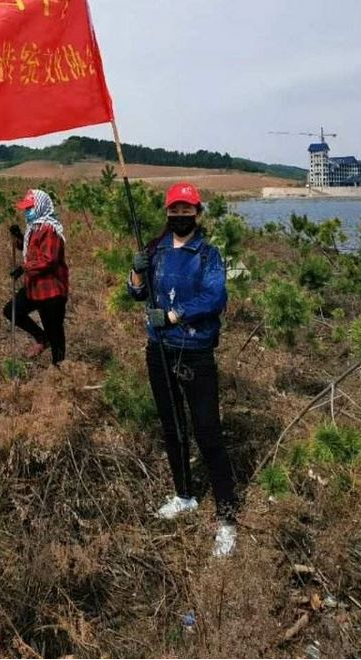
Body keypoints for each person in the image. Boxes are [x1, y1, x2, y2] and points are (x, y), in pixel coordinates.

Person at [128, 182, 238, 557]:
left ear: (198, 213)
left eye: (186, 210)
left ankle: (226, 517)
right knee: (172, 427)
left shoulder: (208, 255)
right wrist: (137, 272)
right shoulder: (155, 251)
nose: (179, 216)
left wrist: (174, 316)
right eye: (174, 210)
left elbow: (214, 297)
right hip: (158, 351)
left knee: (208, 432)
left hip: (194, 353)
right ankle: (184, 495)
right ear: (167, 212)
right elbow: (138, 295)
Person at [4, 188, 69, 365]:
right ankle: (42, 338)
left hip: (52, 290)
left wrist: (24, 268)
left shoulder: (49, 229)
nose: (27, 212)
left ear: (40, 207)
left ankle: (61, 372)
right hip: (35, 288)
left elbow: (49, 260)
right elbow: (32, 251)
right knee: (11, 310)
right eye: (26, 208)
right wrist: (19, 239)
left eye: (30, 208)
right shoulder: (35, 228)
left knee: (55, 331)